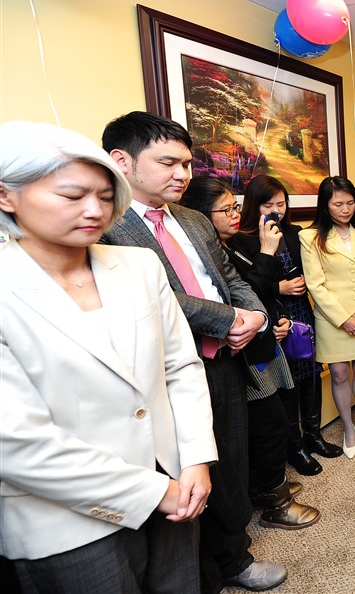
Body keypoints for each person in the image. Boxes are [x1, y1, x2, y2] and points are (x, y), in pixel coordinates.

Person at [0, 122, 216, 593]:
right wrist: (157, 492)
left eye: (104, 195)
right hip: (64, 519)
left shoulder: (137, 265)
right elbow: (15, 441)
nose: (95, 210)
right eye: (73, 195)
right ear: (6, 196)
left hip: (176, 482)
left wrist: (196, 459)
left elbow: (180, 366)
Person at [100, 112, 285, 593]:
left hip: (223, 362)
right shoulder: (104, 226)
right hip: (162, 373)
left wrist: (255, 317)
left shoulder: (194, 220)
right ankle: (199, 574)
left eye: (186, 163)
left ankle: (235, 557)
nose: (183, 174)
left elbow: (230, 278)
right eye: (168, 163)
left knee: (229, 464)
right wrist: (227, 320)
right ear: (122, 161)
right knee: (183, 476)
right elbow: (155, 294)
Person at [180, 178, 320, 531]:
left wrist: (275, 318)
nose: (234, 215)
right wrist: (269, 254)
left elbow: (256, 291)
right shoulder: (212, 252)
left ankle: (266, 489)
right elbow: (248, 288)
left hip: (261, 342)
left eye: (235, 206)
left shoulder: (233, 246)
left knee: (269, 423)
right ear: (199, 217)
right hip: (237, 353)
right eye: (226, 209)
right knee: (268, 426)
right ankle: (276, 502)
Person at [235, 175, 342, 475]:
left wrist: (310, 281)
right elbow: (245, 288)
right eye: (268, 205)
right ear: (254, 205)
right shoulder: (242, 240)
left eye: (281, 204)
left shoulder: (296, 233)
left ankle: (314, 436)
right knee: (287, 382)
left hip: (302, 313)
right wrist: (279, 287)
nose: (275, 211)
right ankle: (293, 446)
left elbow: (315, 269)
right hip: (275, 316)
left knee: (310, 375)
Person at [300, 177, 355, 459]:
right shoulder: (310, 238)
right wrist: (344, 319)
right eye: (338, 204)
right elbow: (316, 284)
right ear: (325, 206)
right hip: (332, 319)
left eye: (350, 203)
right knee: (338, 373)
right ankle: (348, 428)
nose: (345, 209)